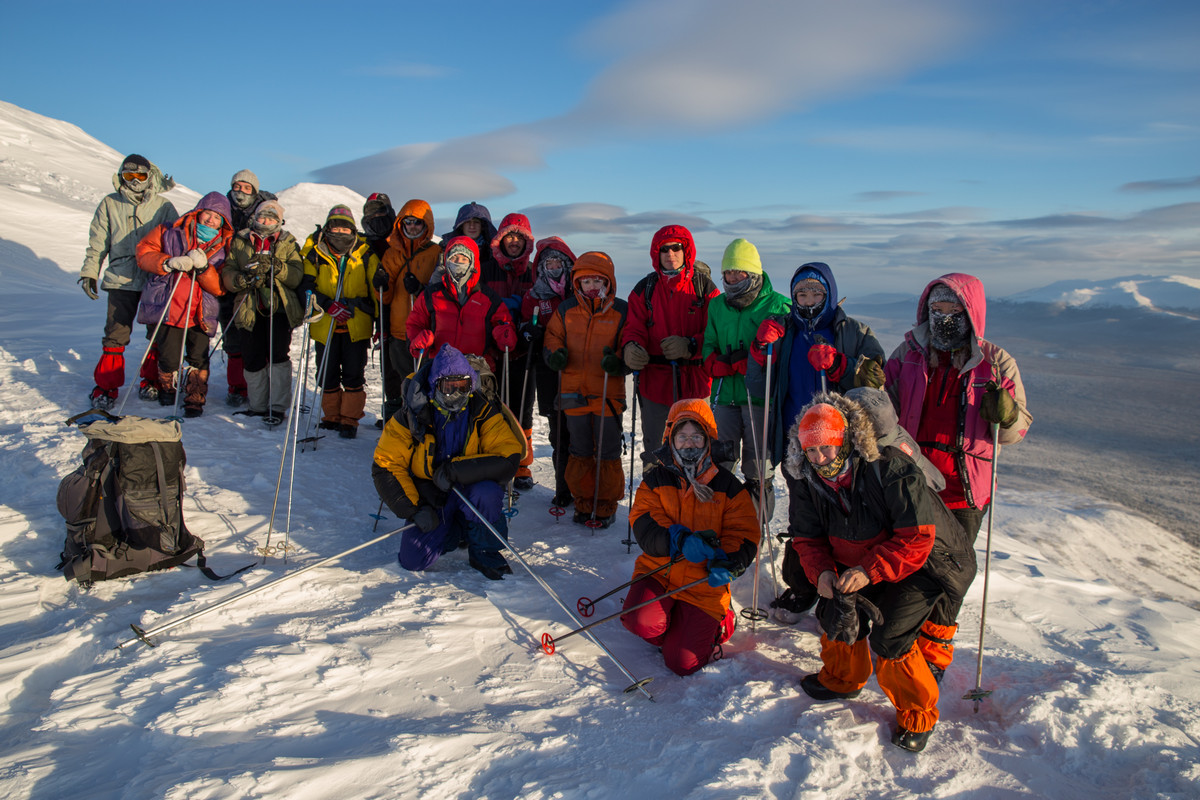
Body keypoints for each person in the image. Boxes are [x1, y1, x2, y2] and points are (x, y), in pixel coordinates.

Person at [784, 393, 975, 753]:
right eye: (811, 451)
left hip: (915, 565)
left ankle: (917, 713)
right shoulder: (806, 481)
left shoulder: (889, 468)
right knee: (835, 613)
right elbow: (807, 538)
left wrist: (869, 571)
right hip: (855, 563)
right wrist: (822, 574)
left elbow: (918, 538)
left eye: (827, 447)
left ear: (845, 441)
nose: (820, 458)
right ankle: (842, 679)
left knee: (891, 637)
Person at [884, 273, 1032, 682]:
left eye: (953, 310)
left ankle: (934, 653)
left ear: (971, 312)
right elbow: (886, 408)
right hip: (914, 479)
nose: (944, 317)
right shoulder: (908, 353)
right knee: (911, 566)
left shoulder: (996, 363)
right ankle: (905, 644)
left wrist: (1007, 414)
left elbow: (1017, 432)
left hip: (965, 486)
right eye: (937, 309)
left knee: (952, 576)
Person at [745, 260, 886, 619]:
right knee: (802, 516)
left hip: (841, 446)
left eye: (816, 292)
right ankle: (805, 584)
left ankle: (845, 589)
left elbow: (878, 379)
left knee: (843, 517)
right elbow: (757, 382)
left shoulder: (853, 331)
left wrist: (841, 365)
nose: (808, 299)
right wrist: (761, 351)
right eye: (801, 293)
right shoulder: (784, 330)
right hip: (798, 443)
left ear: (830, 294)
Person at [623, 399, 760, 676]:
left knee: (683, 663)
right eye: (682, 436)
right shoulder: (655, 479)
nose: (689, 444)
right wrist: (679, 540)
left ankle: (720, 623)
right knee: (639, 621)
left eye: (697, 437)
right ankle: (676, 627)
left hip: (703, 583)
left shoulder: (728, 485)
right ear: (670, 438)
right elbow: (644, 524)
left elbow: (743, 533)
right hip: (660, 571)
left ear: (708, 440)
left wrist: (729, 562)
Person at [372, 343, 524, 580]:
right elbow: (386, 465)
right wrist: (414, 508)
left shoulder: (481, 410)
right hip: (432, 495)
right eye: (448, 386)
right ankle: (457, 530)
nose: (455, 394)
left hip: (469, 487)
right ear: (435, 385)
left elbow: (508, 455)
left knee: (486, 493)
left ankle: (485, 551)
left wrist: (456, 471)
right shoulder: (412, 415)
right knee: (413, 560)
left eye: (462, 386)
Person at [701, 238, 791, 520]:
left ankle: (754, 529)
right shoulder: (717, 306)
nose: (732, 278)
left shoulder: (779, 306)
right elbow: (708, 346)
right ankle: (719, 522)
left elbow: (787, 354)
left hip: (761, 399)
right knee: (720, 464)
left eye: (738, 272)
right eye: (727, 273)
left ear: (752, 274)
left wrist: (757, 361)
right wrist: (718, 364)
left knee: (758, 469)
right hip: (724, 396)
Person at [79, 154, 178, 408]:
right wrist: (91, 271)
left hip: (154, 278)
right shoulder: (109, 203)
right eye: (128, 175)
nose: (134, 181)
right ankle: (107, 387)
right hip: (120, 278)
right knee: (116, 334)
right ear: (121, 176)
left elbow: (176, 240)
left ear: (150, 177)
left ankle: (151, 380)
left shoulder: (163, 206)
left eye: (140, 176)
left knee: (155, 334)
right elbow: (98, 240)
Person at [542, 251, 628, 527]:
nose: (591, 287)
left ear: (608, 283)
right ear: (577, 283)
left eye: (597, 281)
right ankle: (582, 502)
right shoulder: (566, 310)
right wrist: (555, 355)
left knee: (607, 452)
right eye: (585, 281)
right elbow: (552, 337)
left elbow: (630, 343)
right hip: (573, 393)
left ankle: (605, 505)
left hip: (607, 394)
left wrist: (619, 362)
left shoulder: (622, 311)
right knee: (580, 450)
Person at [134, 192, 234, 417]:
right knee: (168, 355)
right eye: (208, 213)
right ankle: (168, 389)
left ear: (223, 222)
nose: (211, 220)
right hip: (170, 306)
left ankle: (194, 397)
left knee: (198, 357)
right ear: (199, 212)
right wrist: (167, 262)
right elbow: (143, 252)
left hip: (201, 310)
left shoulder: (225, 245)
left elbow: (220, 287)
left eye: (218, 217)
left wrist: (203, 269)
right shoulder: (169, 231)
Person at [621, 224, 718, 450]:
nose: (670, 254)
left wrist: (692, 345)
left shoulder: (704, 287)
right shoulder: (644, 288)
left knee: (698, 447)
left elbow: (716, 332)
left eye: (676, 248)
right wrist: (631, 346)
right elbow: (634, 326)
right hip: (655, 384)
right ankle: (656, 486)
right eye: (664, 249)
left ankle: (695, 487)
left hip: (696, 383)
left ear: (686, 251)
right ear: (657, 253)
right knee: (657, 449)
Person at [300, 205, 381, 439]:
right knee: (327, 373)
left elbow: (376, 291)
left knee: (354, 373)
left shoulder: (365, 253)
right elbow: (306, 285)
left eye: (345, 228)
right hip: (325, 324)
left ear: (352, 229)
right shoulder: (315, 253)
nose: (340, 232)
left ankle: (349, 420)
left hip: (357, 324)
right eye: (335, 226)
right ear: (327, 228)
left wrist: (377, 321)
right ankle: (331, 417)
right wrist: (326, 304)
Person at [221, 199, 304, 421]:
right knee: (252, 355)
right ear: (255, 217)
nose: (265, 221)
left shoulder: (288, 243)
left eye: (271, 217)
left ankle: (277, 407)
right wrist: (240, 279)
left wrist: (279, 269)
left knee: (277, 355)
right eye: (262, 216)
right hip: (248, 305)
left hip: (279, 308)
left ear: (279, 220)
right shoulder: (241, 240)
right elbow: (228, 269)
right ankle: (257, 405)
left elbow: (297, 275)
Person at [518, 238, 577, 506]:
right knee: (558, 431)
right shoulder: (533, 295)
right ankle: (564, 490)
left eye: (557, 262)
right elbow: (523, 324)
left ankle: (582, 489)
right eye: (548, 262)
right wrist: (528, 332)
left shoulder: (578, 291)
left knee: (580, 431)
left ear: (566, 264)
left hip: (577, 368)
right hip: (548, 371)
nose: (553, 266)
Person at [405, 236, 516, 374]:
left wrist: (505, 335)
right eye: (454, 259)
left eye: (464, 259)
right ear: (446, 261)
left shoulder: (488, 298)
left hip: (476, 368)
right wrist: (418, 341)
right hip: (439, 367)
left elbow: (505, 324)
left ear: (473, 263)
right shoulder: (431, 295)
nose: (459, 263)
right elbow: (414, 324)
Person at [375, 199, 441, 423]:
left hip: (425, 333)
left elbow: (441, 291)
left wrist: (422, 290)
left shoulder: (435, 253)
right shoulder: (392, 254)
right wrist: (381, 285)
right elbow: (385, 297)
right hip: (398, 330)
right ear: (401, 224)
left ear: (426, 226)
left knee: (425, 382)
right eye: (408, 222)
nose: (412, 227)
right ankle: (400, 427)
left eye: (418, 223)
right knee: (402, 382)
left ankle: (424, 424)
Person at [487, 213, 537, 490]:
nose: (514, 241)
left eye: (519, 237)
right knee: (494, 405)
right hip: (493, 351)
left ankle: (521, 465)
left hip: (525, 352)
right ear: (501, 239)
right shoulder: (486, 268)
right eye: (510, 236)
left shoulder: (534, 271)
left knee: (522, 409)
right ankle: (496, 458)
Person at [221, 169, 277, 407]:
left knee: (258, 338)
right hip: (228, 281)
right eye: (237, 187)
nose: (240, 192)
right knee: (233, 338)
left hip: (259, 286)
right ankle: (237, 386)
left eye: (246, 188)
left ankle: (262, 388)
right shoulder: (223, 209)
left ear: (254, 191)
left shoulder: (266, 211)